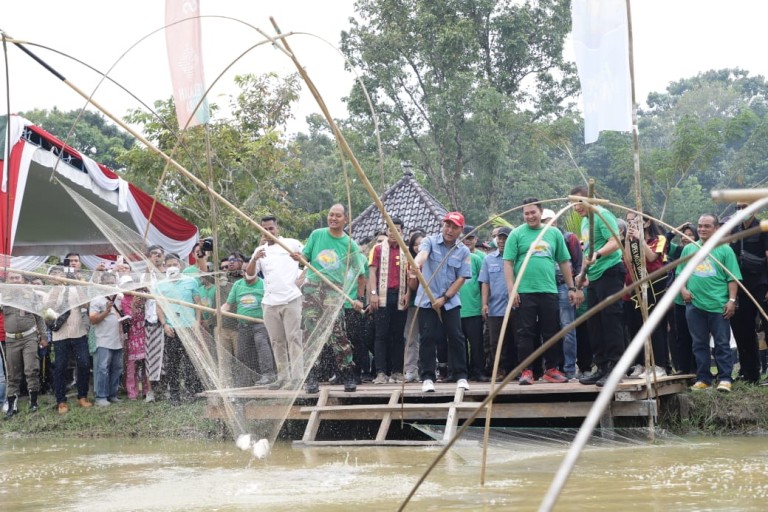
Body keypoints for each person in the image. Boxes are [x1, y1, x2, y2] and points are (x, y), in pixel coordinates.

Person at [504, 199, 582, 385]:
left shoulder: (553, 233)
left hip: (549, 289)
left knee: (551, 331)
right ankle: (527, 371)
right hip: (524, 291)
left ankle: (551, 369)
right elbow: (508, 262)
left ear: (541, 213)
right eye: (526, 213)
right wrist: (512, 290)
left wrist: (571, 288)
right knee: (525, 333)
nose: (530, 216)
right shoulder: (516, 234)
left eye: (533, 212)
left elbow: (564, 261)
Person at [294, 203, 366, 394]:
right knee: (310, 333)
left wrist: (359, 298)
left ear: (345, 219)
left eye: (338, 216)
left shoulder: (350, 245)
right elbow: (304, 257)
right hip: (312, 288)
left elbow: (361, 274)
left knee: (337, 334)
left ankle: (348, 374)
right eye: (331, 215)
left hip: (334, 292)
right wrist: (297, 257)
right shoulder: (317, 234)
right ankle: (311, 377)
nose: (333, 219)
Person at [677, 214, 742, 393]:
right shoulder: (689, 249)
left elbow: (732, 278)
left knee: (722, 343)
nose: (702, 229)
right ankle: (703, 378)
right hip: (694, 305)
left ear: (715, 229)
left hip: (718, 305)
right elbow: (680, 273)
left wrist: (731, 301)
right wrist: (683, 289)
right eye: (700, 226)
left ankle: (725, 378)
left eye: (707, 226)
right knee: (699, 343)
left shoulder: (724, 250)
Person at [570, 186, 627, 387]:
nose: (576, 207)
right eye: (573, 203)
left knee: (610, 320)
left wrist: (599, 254)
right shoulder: (585, 222)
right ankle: (601, 366)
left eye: (579, 202)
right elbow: (588, 253)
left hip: (610, 272)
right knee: (594, 322)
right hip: (594, 277)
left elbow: (616, 241)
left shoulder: (603, 215)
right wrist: (582, 274)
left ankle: (615, 368)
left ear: (590, 199)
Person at [413, 211, 472, 393]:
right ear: (443, 225)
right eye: (447, 225)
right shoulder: (430, 241)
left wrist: (444, 298)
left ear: (461, 230)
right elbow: (423, 254)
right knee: (428, 337)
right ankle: (428, 377)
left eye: (454, 227)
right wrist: (416, 263)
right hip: (427, 299)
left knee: (456, 336)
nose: (449, 229)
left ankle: (461, 376)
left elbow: (461, 278)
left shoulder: (463, 251)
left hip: (450, 300)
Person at [247, 215, 305, 387]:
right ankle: (283, 377)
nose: (268, 232)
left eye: (271, 228)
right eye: (265, 229)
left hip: (291, 298)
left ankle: (298, 377)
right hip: (270, 302)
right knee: (276, 341)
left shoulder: (291, 243)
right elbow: (249, 277)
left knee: (294, 338)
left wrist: (302, 278)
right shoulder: (260, 250)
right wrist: (255, 258)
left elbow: (308, 260)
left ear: (277, 228)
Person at [623, 211, 670, 378]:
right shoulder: (631, 240)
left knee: (653, 327)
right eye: (628, 221)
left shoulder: (659, 239)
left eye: (634, 221)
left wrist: (640, 240)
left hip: (653, 288)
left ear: (647, 222)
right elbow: (628, 260)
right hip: (633, 289)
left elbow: (651, 258)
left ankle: (660, 365)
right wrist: (629, 240)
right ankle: (640, 364)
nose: (631, 224)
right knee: (635, 328)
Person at [541, 209, 583, 380]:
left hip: (565, 286)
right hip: (547, 287)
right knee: (549, 329)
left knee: (567, 328)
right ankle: (552, 368)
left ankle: (570, 369)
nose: (547, 224)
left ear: (555, 221)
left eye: (549, 220)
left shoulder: (568, 238)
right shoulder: (539, 240)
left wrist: (576, 287)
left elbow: (578, 264)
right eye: (544, 221)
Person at [46, 258, 93, 413]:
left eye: (60, 273)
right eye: (54, 274)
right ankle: (61, 401)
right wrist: (57, 291)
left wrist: (77, 284)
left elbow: (85, 305)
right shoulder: (47, 294)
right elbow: (47, 316)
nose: (58, 276)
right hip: (60, 336)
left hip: (79, 333)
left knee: (85, 364)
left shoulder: (73, 289)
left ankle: (82, 396)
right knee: (60, 367)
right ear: (50, 278)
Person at [156, 253, 203, 405]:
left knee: (191, 362)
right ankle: (174, 394)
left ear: (180, 265)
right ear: (164, 267)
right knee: (172, 363)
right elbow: (159, 306)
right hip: (172, 329)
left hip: (189, 327)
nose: (172, 268)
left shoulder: (190, 281)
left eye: (174, 264)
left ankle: (192, 392)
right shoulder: (160, 285)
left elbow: (197, 302)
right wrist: (164, 323)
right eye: (168, 265)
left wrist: (197, 322)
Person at [729, 202, 768, 384]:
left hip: (761, 285)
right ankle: (749, 373)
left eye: (745, 206)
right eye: (738, 207)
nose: (741, 210)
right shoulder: (733, 230)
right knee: (742, 330)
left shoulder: (762, 228)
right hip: (739, 287)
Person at [368, 217, 409, 384]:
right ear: (386, 231)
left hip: (400, 296)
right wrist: (373, 293)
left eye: (397, 230)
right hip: (382, 296)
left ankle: (397, 371)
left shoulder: (405, 250)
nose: (394, 233)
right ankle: (380, 372)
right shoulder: (377, 249)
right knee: (381, 335)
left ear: (402, 232)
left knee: (398, 335)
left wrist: (408, 294)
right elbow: (372, 273)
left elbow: (410, 274)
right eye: (391, 230)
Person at [2, 271, 47, 417]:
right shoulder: (3, 295)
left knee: (31, 369)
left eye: (17, 278)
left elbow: (40, 316)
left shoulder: (31, 295)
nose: (15, 280)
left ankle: (33, 402)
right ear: (7, 280)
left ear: (23, 280)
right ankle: (12, 405)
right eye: (12, 278)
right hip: (11, 340)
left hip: (29, 337)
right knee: (13, 373)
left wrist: (44, 336)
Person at [223, 272, 276, 386]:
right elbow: (228, 304)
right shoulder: (238, 284)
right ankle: (243, 381)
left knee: (261, 344)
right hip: (243, 325)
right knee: (242, 353)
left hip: (260, 324)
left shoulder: (263, 284)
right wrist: (220, 310)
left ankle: (268, 374)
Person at [479, 226, 516, 377]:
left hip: (515, 306)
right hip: (495, 307)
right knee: (496, 342)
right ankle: (499, 370)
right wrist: (484, 304)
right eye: (500, 238)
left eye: (505, 238)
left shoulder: (518, 257)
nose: (501, 241)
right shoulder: (488, 259)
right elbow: (485, 283)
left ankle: (515, 370)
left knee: (516, 339)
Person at [666, 223, 699, 374]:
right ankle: (684, 368)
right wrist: (674, 230)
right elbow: (664, 244)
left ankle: (699, 369)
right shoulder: (679, 251)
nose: (686, 238)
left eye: (690, 235)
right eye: (683, 235)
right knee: (681, 335)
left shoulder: (702, 251)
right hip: (680, 300)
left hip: (698, 300)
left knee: (698, 337)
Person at [89, 272, 124, 406]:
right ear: (102, 284)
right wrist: (106, 311)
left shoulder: (119, 298)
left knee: (117, 367)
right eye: (108, 283)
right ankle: (101, 396)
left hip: (118, 339)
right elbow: (92, 319)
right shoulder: (97, 299)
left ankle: (112, 394)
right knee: (102, 368)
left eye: (113, 282)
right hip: (102, 339)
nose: (111, 285)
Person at [459, 225, 488, 382]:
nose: (466, 241)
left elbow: (484, 282)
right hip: (457, 307)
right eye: (464, 238)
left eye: (470, 238)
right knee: (459, 343)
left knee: (476, 343)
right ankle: (461, 372)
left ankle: (478, 371)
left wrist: (484, 304)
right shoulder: (454, 256)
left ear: (476, 239)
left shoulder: (480, 258)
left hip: (474, 307)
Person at [120, 275, 150, 400]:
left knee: (145, 363)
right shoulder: (124, 300)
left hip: (144, 331)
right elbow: (129, 318)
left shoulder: (141, 295)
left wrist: (143, 299)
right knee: (132, 365)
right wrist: (133, 306)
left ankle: (146, 390)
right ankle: (132, 393)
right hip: (133, 333)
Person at [403, 231, 425, 383]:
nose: (418, 247)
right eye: (415, 245)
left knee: (429, 338)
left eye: (421, 244)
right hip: (414, 304)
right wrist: (413, 275)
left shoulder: (433, 259)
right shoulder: (409, 262)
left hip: (431, 303)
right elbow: (412, 286)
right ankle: (411, 370)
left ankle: (429, 369)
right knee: (411, 337)